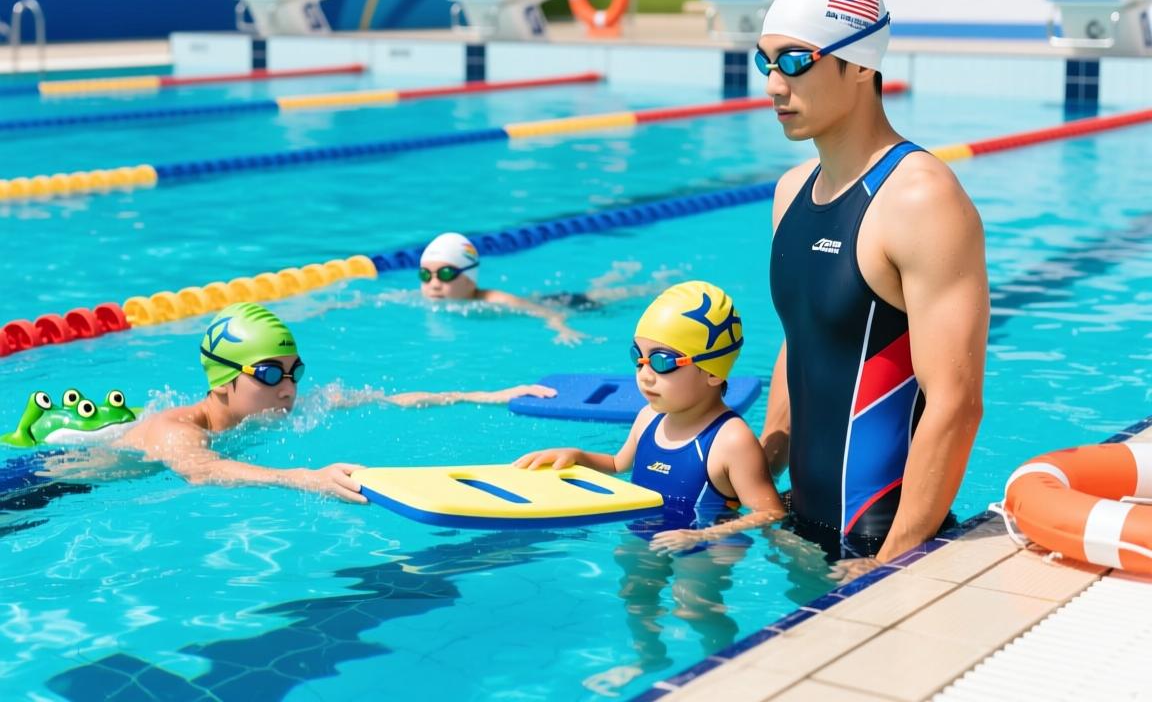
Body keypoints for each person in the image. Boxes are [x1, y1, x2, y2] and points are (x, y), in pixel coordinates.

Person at [755, 0, 990, 577]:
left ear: (859, 65)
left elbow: (957, 402)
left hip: (882, 543)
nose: (775, 86)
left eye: (795, 62)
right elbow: (802, 340)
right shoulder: (790, 192)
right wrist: (755, 474)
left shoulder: (920, 199)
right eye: (767, 63)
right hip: (797, 526)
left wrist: (889, 567)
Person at [515, 281, 785, 677]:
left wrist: (701, 538)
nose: (645, 374)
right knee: (635, 595)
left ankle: (728, 668)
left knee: (692, 604)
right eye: (638, 358)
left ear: (712, 371)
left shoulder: (731, 440)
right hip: (650, 530)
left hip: (708, 540)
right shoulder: (648, 418)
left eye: (662, 361)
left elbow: (769, 512)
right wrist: (577, 455)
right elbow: (617, 463)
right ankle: (648, 659)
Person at [115, 302, 555, 503]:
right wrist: (306, 478)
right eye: (269, 373)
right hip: (61, 484)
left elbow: (387, 401)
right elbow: (201, 470)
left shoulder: (286, 407)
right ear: (224, 378)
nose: (288, 388)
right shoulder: (176, 429)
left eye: (295, 372)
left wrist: (482, 395)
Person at [417, 232, 591, 345]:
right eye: (425, 275)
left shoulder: (498, 300)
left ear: (469, 279)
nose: (434, 284)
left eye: (446, 274)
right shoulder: (423, 298)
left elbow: (548, 313)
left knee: (602, 297)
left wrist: (562, 329)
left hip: (563, 304)